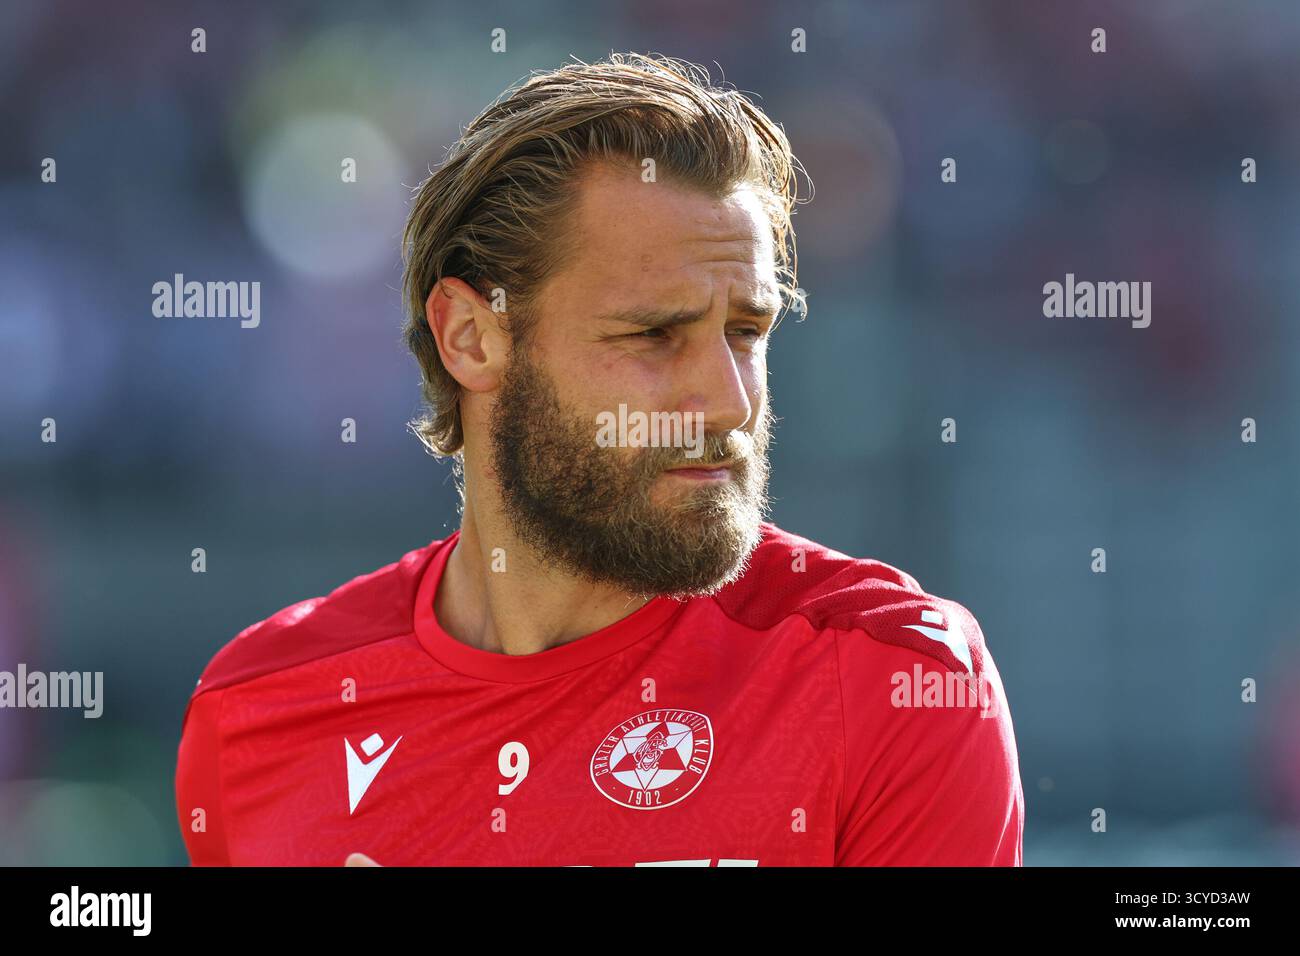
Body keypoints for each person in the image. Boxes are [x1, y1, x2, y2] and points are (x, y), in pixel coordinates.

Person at [175, 52, 1023, 866]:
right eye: (655, 335)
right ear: (471, 338)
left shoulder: (895, 678)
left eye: (746, 333)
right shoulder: (259, 710)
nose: (727, 402)